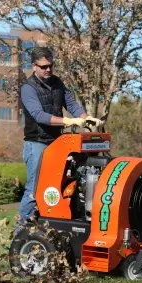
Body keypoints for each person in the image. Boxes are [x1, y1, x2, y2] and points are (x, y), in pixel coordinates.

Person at [16, 46, 103, 231]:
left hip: (56, 144)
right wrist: (67, 121)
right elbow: (39, 115)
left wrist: (85, 117)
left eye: (51, 66)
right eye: (44, 66)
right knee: (34, 188)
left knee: (60, 185)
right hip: (36, 144)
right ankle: (20, 232)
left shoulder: (57, 83)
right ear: (34, 66)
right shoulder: (28, 88)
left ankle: (51, 228)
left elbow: (71, 103)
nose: (48, 69)